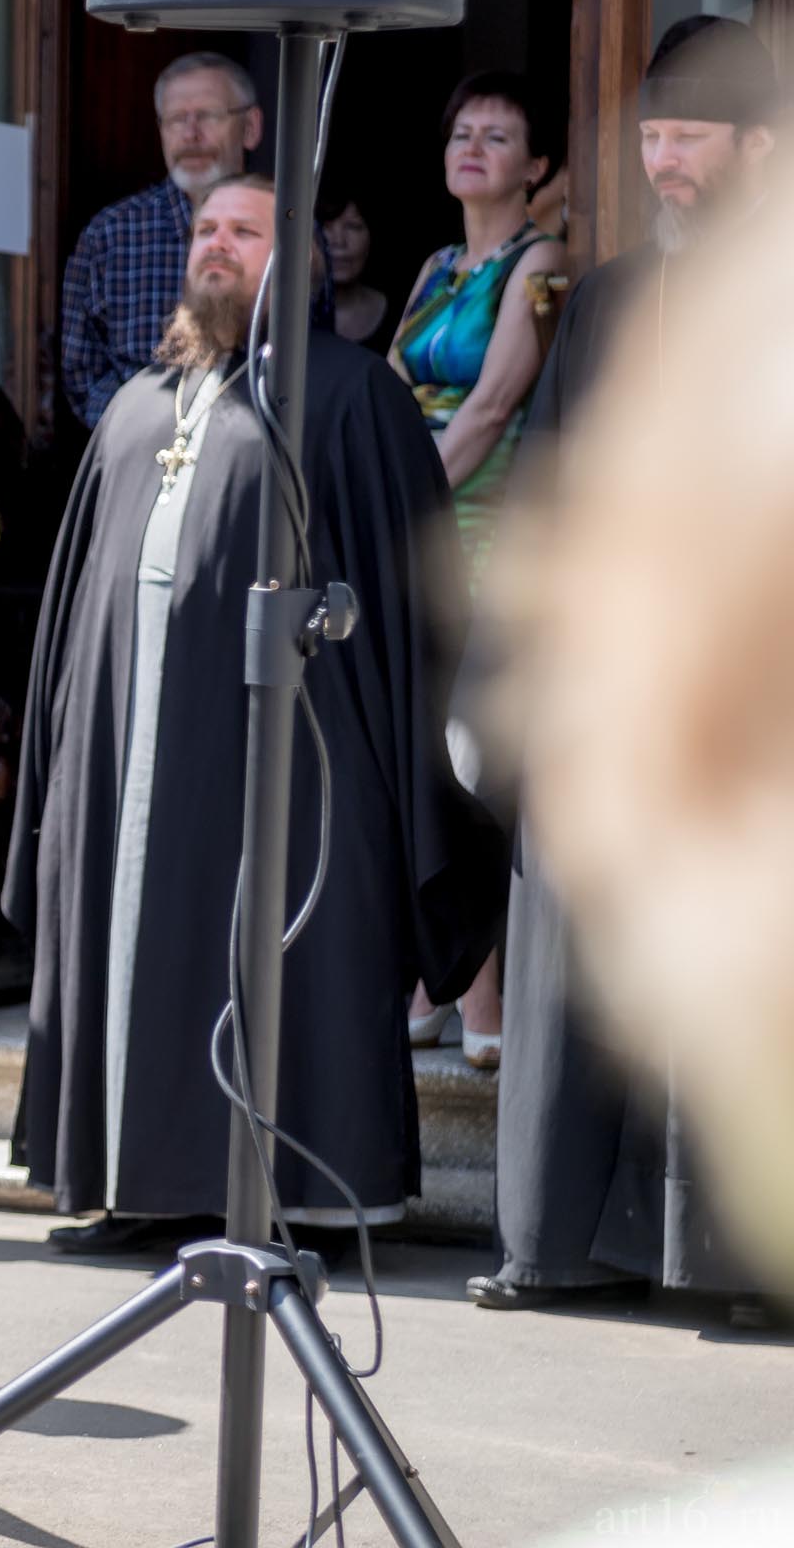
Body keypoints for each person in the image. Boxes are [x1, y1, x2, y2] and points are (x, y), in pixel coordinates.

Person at [6, 174, 503, 1257]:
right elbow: (73, 613)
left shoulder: (350, 397)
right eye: (205, 229)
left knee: (280, 942)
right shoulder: (138, 407)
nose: (216, 246)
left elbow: (417, 599)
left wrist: (399, 763)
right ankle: (138, 1183)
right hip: (136, 749)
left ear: (300, 259)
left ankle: (295, 1196)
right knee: (140, 937)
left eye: (245, 229)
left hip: (297, 754)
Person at [466, 14, 780, 1323]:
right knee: (571, 952)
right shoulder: (600, 297)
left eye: (686, 137)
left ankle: (738, 1264)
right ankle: (557, 1245)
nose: (661, 161)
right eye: (651, 135)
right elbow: (544, 488)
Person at [387, 73, 566, 1069]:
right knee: (419, 749)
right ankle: (441, 974)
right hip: (423, 523)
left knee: (470, 756)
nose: (473, 147)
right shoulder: (436, 265)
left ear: (535, 167)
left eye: (497, 136)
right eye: (461, 132)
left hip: (489, 536)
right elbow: (392, 384)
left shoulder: (544, 261)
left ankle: (478, 989)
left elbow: (494, 403)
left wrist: (398, 499)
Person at [60, 53, 266, 429]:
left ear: (250, 127)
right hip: (144, 461)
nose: (191, 134)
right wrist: (144, 434)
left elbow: (313, 358)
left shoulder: (288, 230)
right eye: (176, 119)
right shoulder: (110, 236)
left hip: (258, 460)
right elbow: (82, 376)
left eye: (208, 115)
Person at [318, 185, 393, 356]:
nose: (339, 242)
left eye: (353, 226)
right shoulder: (286, 316)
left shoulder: (401, 313)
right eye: (326, 227)